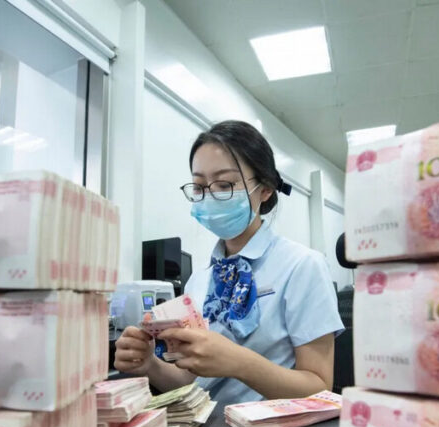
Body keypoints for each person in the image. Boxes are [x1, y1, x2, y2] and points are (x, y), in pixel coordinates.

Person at [114, 120, 344, 405]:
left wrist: (238, 362)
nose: (210, 196)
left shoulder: (303, 266)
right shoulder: (201, 280)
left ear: (266, 189)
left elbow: (319, 386)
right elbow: (188, 382)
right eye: (199, 187)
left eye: (224, 184)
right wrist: (149, 365)